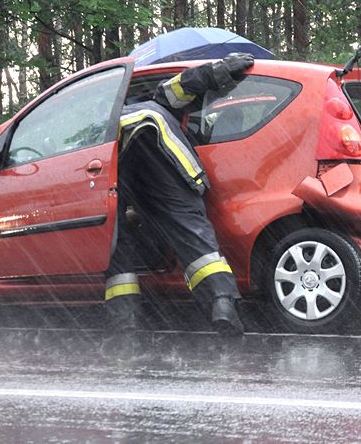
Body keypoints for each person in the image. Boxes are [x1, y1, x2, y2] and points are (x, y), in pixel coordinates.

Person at [104, 52, 255, 337]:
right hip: (160, 148)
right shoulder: (157, 103)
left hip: (116, 158)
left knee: (116, 239)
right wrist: (221, 68)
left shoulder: (106, 114)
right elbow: (185, 84)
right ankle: (221, 304)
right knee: (190, 231)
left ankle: (125, 321)